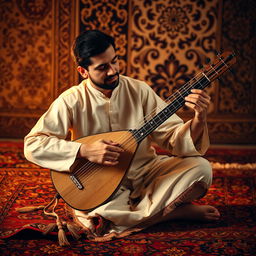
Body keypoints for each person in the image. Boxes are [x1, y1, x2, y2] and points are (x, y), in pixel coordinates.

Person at [24, 30, 220, 241]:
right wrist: (85, 150)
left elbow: (173, 139)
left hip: (146, 173)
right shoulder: (71, 100)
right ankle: (170, 213)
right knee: (95, 214)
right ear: (83, 71)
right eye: (102, 67)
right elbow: (33, 144)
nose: (113, 71)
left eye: (114, 62)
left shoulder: (139, 90)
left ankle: (132, 216)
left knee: (201, 169)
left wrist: (199, 118)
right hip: (100, 184)